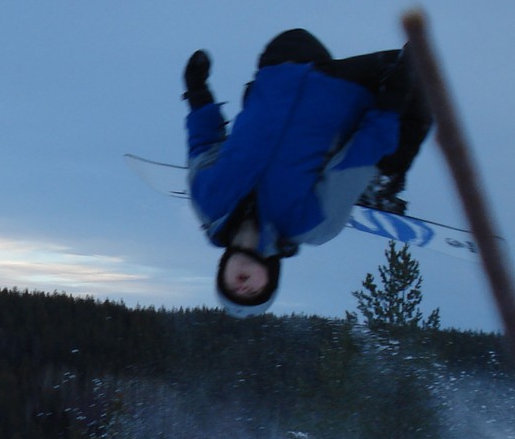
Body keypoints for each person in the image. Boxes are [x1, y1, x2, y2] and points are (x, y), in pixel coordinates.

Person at [183, 28, 433, 315]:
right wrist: (395, 95)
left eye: (231, 290)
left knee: (289, 39)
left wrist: (196, 89)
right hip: (343, 90)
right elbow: (362, 151)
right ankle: (382, 184)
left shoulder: (206, 200)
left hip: (278, 78)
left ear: (222, 271)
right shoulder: (310, 225)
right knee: (422, 85)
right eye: (254, 293)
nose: (243, 288)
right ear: (271, 276)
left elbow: (204, 143)